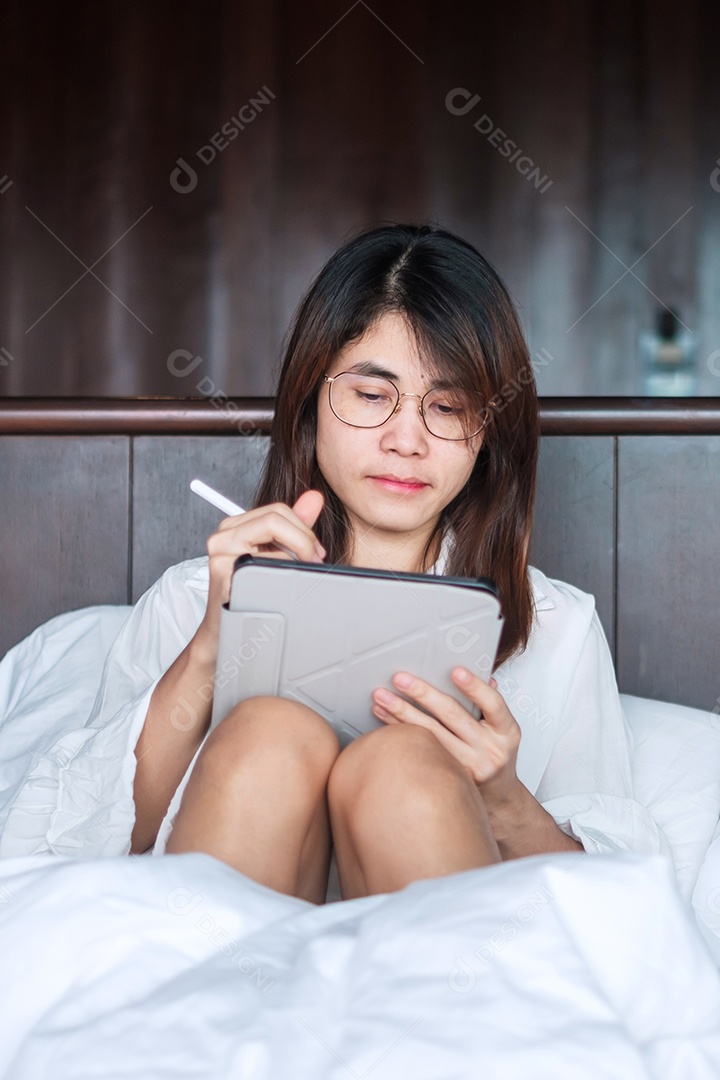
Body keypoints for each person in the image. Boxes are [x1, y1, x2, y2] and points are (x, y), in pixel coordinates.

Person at [0, 223, 665, 904]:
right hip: (217, 948)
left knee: (404, 764)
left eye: (448, 407)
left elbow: (618, 913)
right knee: (269, 734)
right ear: (310, 404)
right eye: (371, 396)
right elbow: (86, 848)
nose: (406, 440)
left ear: (489, 432)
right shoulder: (196, 596)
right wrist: (209, 647)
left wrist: (503, 801)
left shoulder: (557, 628)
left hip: (444, 957)